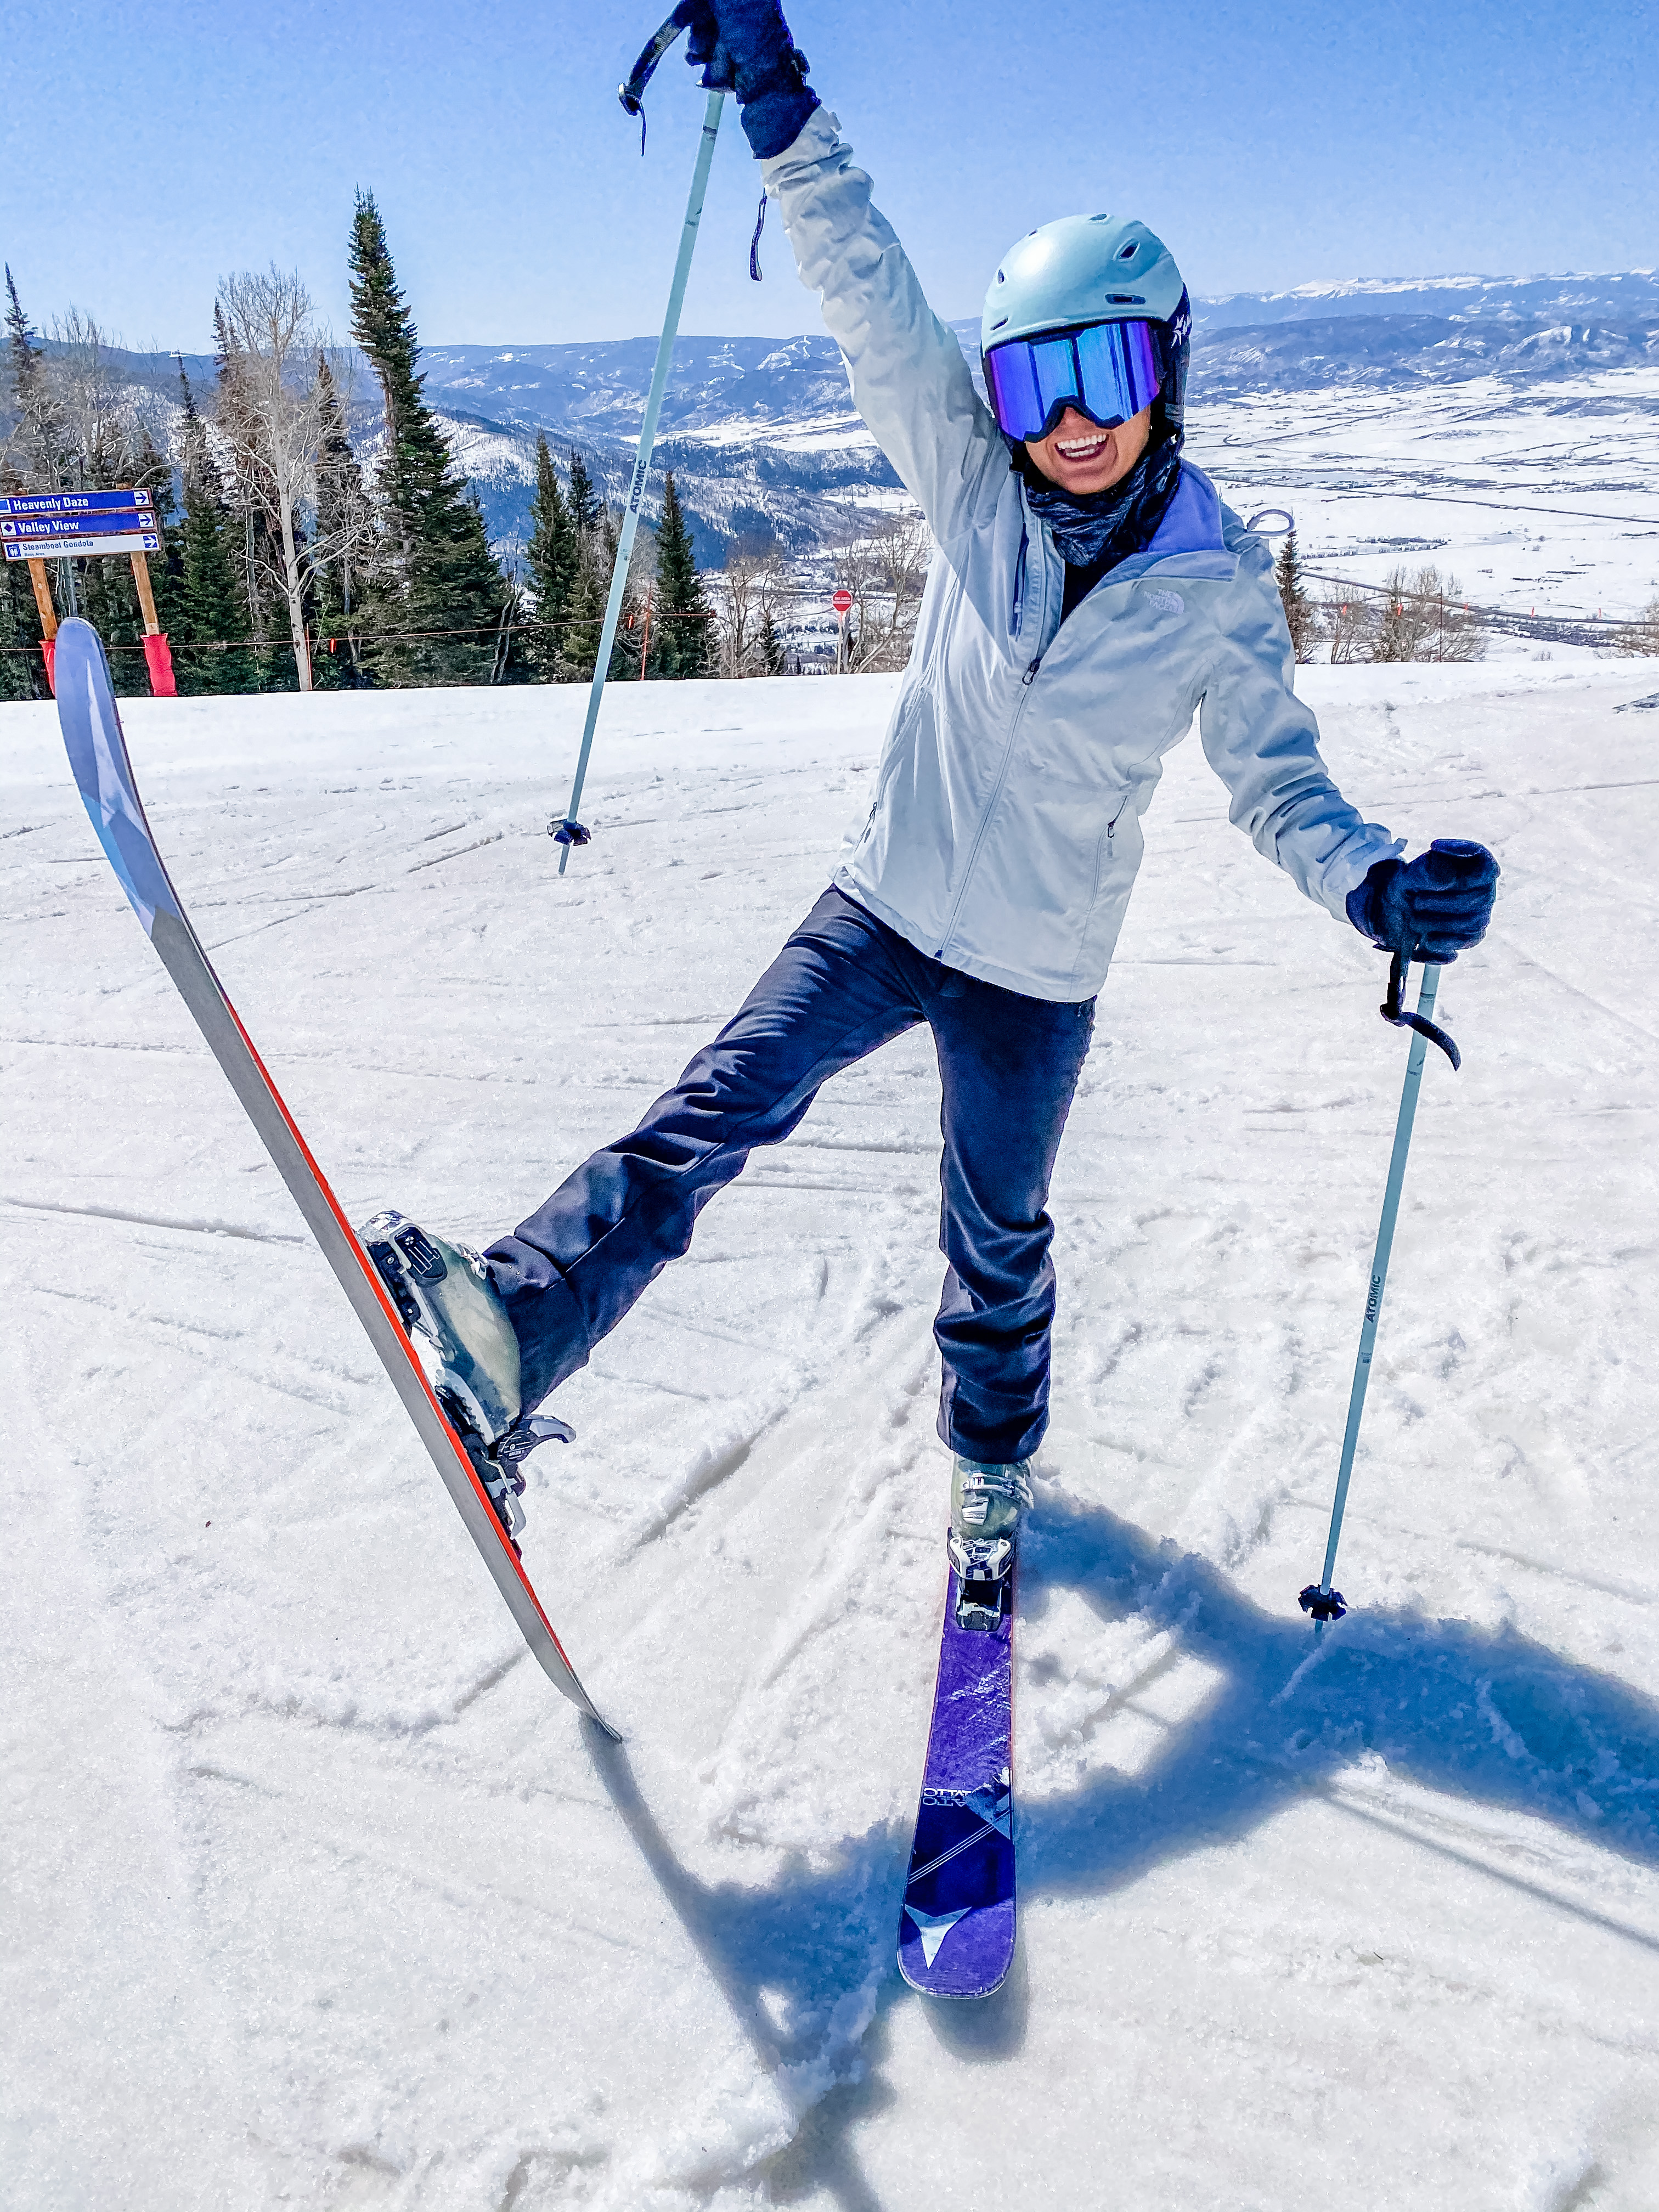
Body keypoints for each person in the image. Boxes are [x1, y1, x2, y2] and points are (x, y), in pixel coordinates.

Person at [362, 0, 1498, 1622]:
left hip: (1036, 968)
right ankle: (516, 1326)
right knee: (714, 1112)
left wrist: (1377, 884)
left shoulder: (1215, 585)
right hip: (885, 904)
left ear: (1165, 368)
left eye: (1104, 373)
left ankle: (989, 1458)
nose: (1074, 421)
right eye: (1036, 386)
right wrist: (777, 97)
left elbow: (1279, 784)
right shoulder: (977, 487)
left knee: (998, 1236)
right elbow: (864, 288)